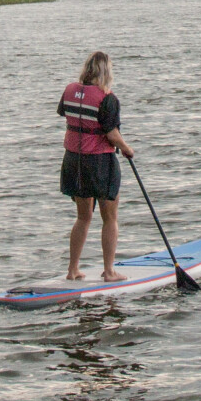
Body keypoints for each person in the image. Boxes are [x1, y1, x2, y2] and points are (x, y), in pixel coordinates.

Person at [58, 51, 134, 281]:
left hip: (74, 161)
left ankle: (72, 270)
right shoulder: (107, 98)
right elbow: (111, 133)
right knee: (110, 217)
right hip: (99, 162)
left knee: (83, 217)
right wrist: (127, 149)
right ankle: (109, 271)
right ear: (106, 72)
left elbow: (66, 114)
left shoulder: (70, 90)